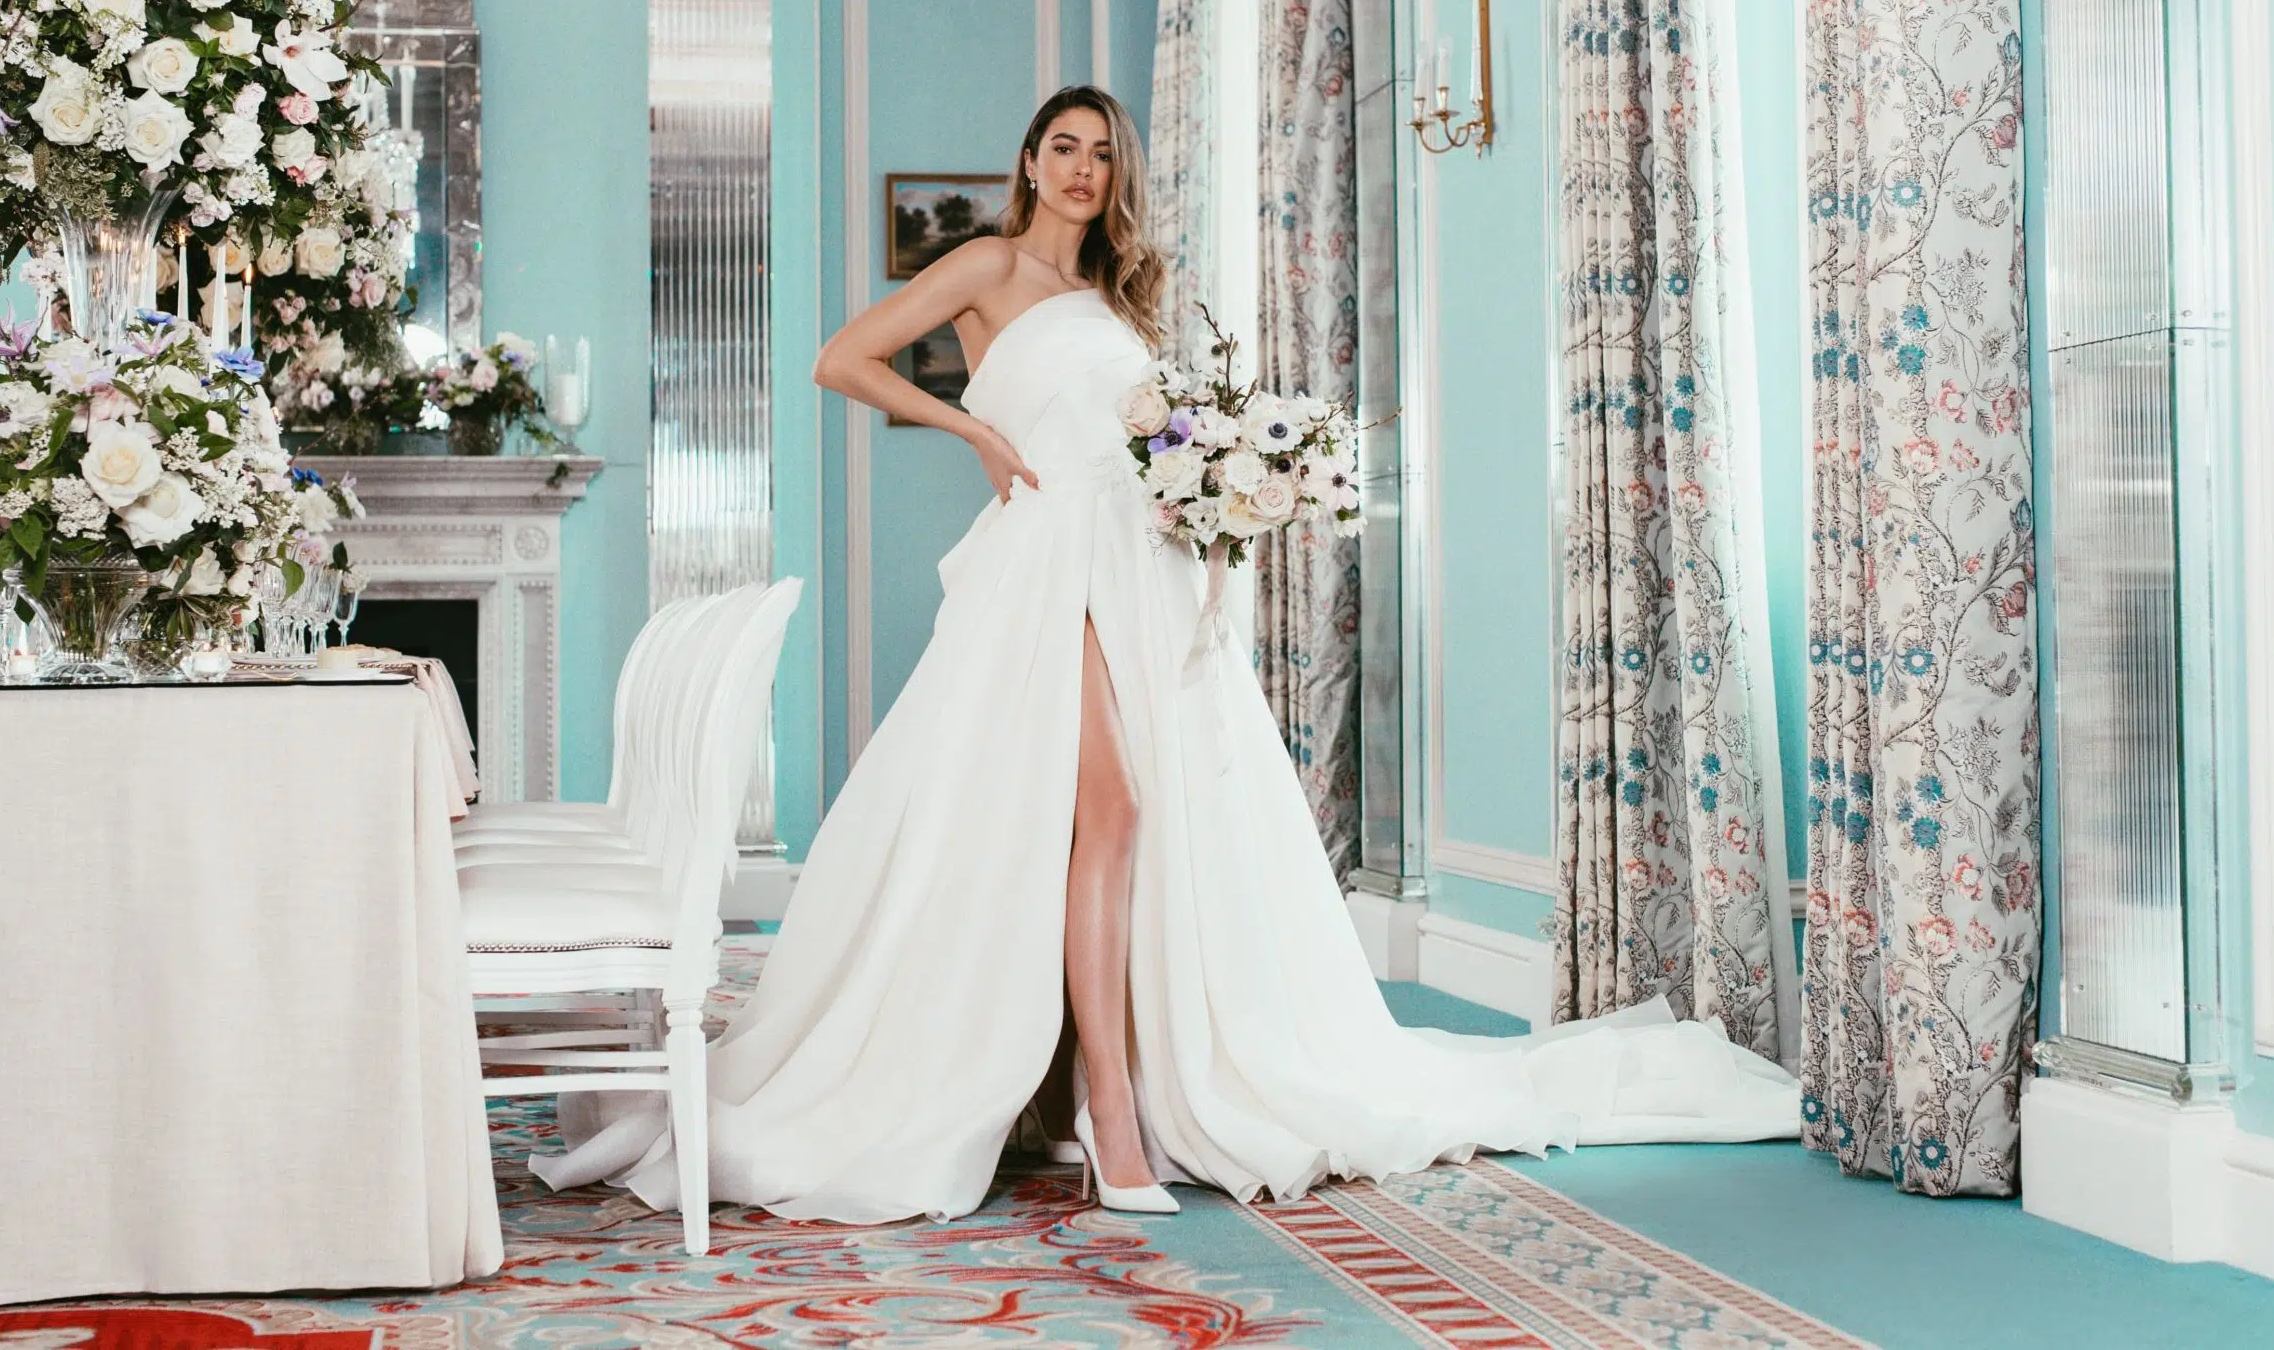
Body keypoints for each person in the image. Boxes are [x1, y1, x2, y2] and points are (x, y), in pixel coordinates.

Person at [529, 85, 1798, 1222]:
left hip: (1140, 565)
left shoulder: (1114, 300)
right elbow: (839, 360)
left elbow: (1152, 443)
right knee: (1113, 810)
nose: (1082, 170)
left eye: (1102, 154)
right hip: (1041, 564)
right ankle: (1110, 1106)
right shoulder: (986, 267)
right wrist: (967, 428)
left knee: (1128, 824)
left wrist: (1224, 491)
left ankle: (1088, 1089)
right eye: (1063, 148)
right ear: (1027, 163)